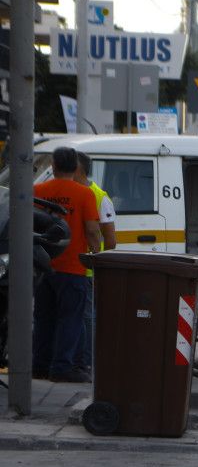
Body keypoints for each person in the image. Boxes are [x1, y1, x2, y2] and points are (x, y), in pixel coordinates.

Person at [33, 147, 101, 383]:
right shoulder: (85, 194)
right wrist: (97, 252)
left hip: (42, 265)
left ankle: (40, 365)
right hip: (73, 267)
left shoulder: (37, 190)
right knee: (70, 318)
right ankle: (62, 366)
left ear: (53, 166)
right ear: (75, 167)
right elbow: (92, 230)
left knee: (44, 318)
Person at [73, 151, 117, 377]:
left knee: (87, 318)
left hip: (87, 271)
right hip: (67, 267)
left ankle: (87, 363)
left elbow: (110, 240)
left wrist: (100, 266)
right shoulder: (70, 192)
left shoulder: (99, 196)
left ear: (78, 169)